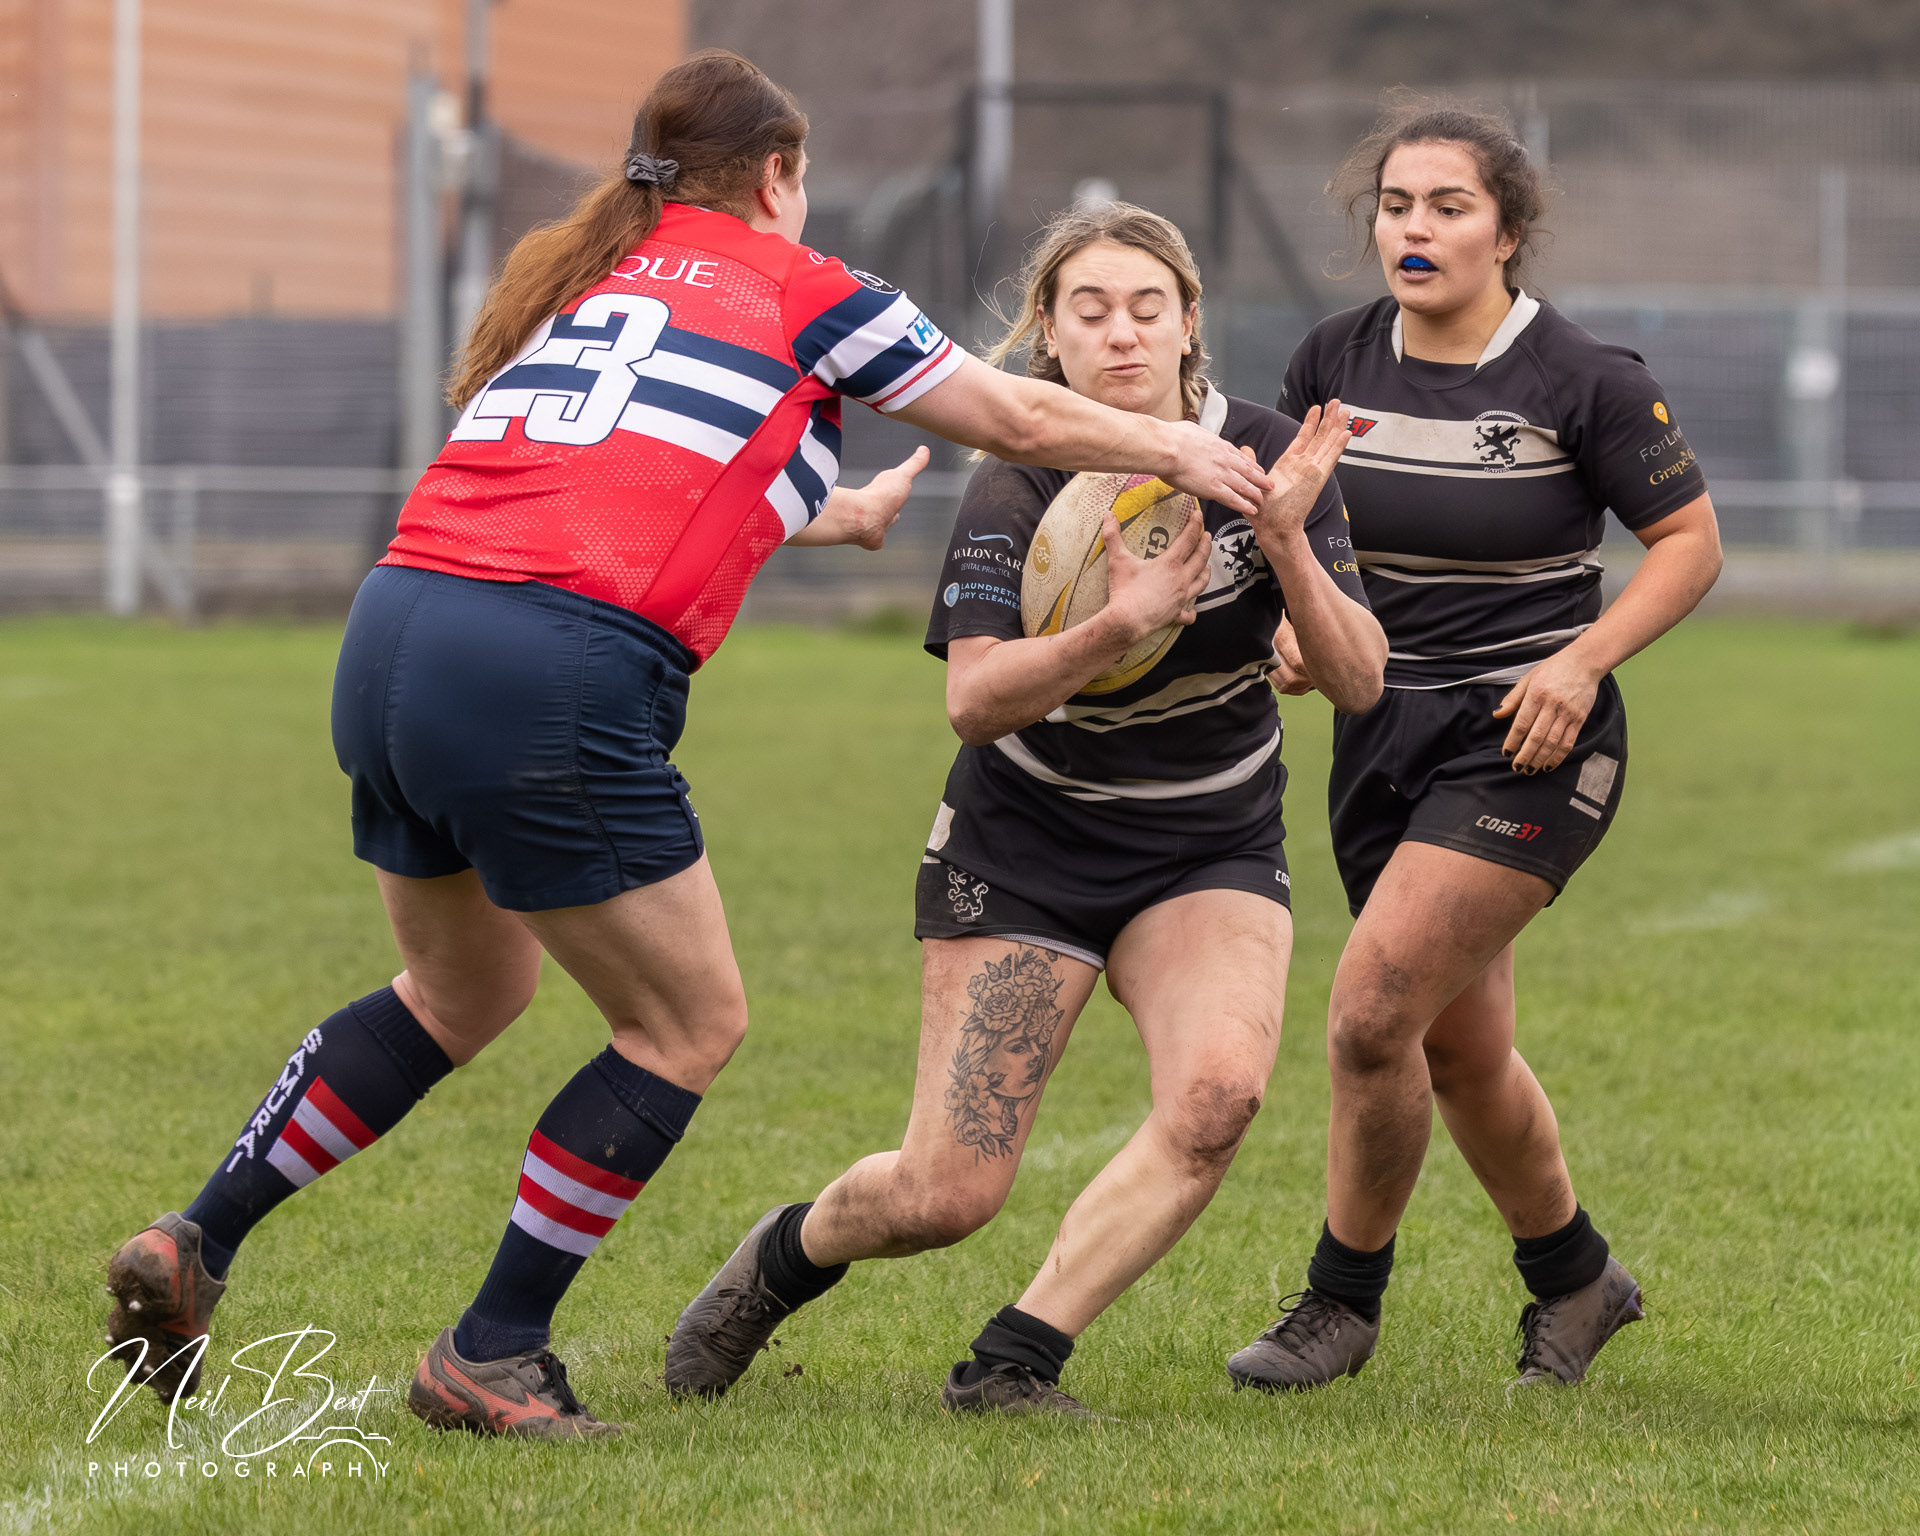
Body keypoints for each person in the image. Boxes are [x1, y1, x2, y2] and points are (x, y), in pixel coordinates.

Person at [100, 51, 1274, 1440]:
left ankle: (198, 1235)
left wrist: (824, 514)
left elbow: (616, 468)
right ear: (779, 175)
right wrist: (1185, 455)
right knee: (685, 1024)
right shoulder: (803, 284)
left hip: (397, 631)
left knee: (457, 995)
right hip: (547, 668)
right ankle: (494, 1350)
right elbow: (1013, 412)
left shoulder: (595, 279)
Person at [663, 203, 1385, 1417]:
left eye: (1147, 308)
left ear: (1190, 322)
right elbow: (975, 701)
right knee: (945, 1195)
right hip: (1027, 847)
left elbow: (1360, 680)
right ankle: (788, 1254)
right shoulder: (1018, 477)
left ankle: (1014, 1361)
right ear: (1049, 331)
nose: (1122, 334)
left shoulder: (1269, 456)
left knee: (1217, 1100)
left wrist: (1286, 542)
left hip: (1208, 843)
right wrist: (1119, 624)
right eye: (1090, 311)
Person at [1225, 97, 1723, 1393]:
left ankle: (1341, 1304)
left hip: (1528, 737)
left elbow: (1691, 545)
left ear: (1505, 231)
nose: (1417, 227)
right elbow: (1300, 532)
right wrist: (1295, 626)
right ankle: (1578, 1278)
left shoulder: (1583, 377)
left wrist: (1582, 660)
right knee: (1460, 1050)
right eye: (1396, 204)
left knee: (1371, 1014)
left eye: (1449, 206)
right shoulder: (1333, 359)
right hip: (1378, 730)